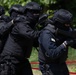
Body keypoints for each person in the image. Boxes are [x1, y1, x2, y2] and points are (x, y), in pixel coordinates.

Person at [0, 2, 42, 75]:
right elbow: (31, 35)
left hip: (21, 59)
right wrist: (46, 31)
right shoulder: (18, 24)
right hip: (10, 60)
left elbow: (35, 41)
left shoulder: (27, 25)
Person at [38, 9, 75, 75]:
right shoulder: (47, 33)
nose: (68, 26)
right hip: (49, 66)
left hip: (61, 64)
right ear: (59, 22)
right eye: (66, 24)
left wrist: (72, 41)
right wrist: (65, 43)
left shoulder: (63, 30)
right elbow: (53, 53)